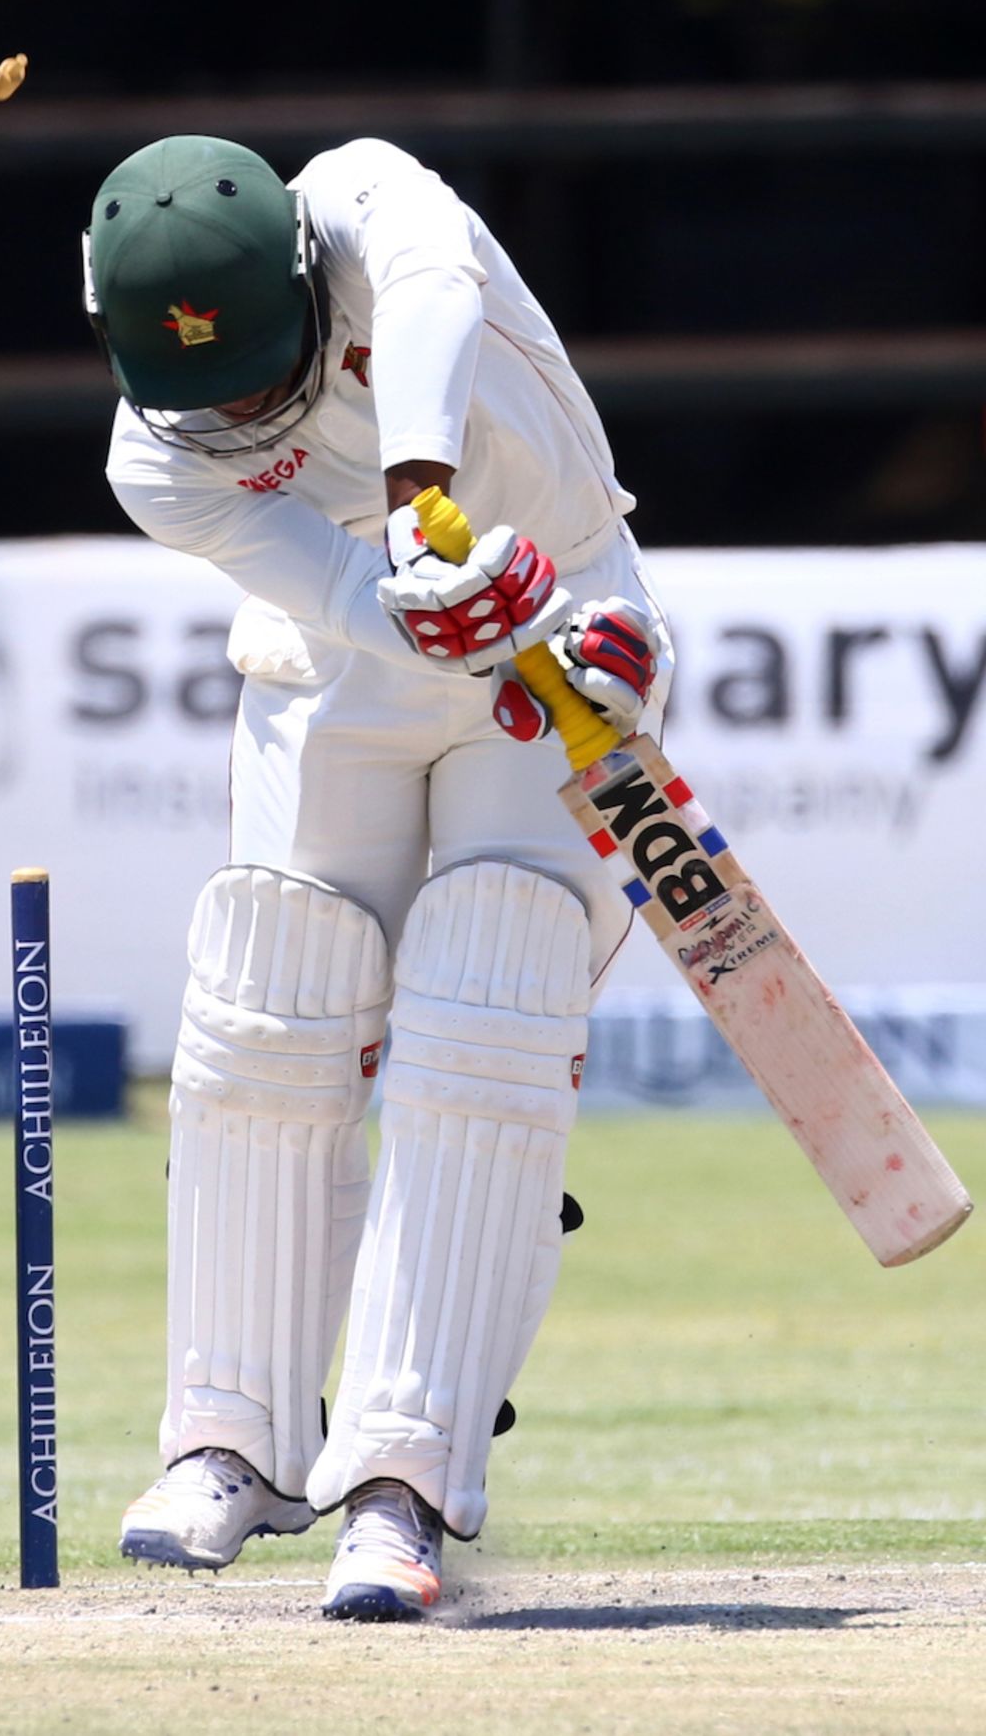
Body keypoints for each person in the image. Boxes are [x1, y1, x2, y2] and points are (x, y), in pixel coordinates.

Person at [83, 134, 672, 1622]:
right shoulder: (156, 458)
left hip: (559, 616)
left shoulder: (370, 204)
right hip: (338, 663)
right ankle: (228, 1443)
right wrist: (423, 596)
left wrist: (441, 510)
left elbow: (431, 292)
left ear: (299, 280)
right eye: (195, 393)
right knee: (267, 1006)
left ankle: (398, 1486)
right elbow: (350, 600)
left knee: (491, 994)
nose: (228, 412)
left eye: (256, 376)